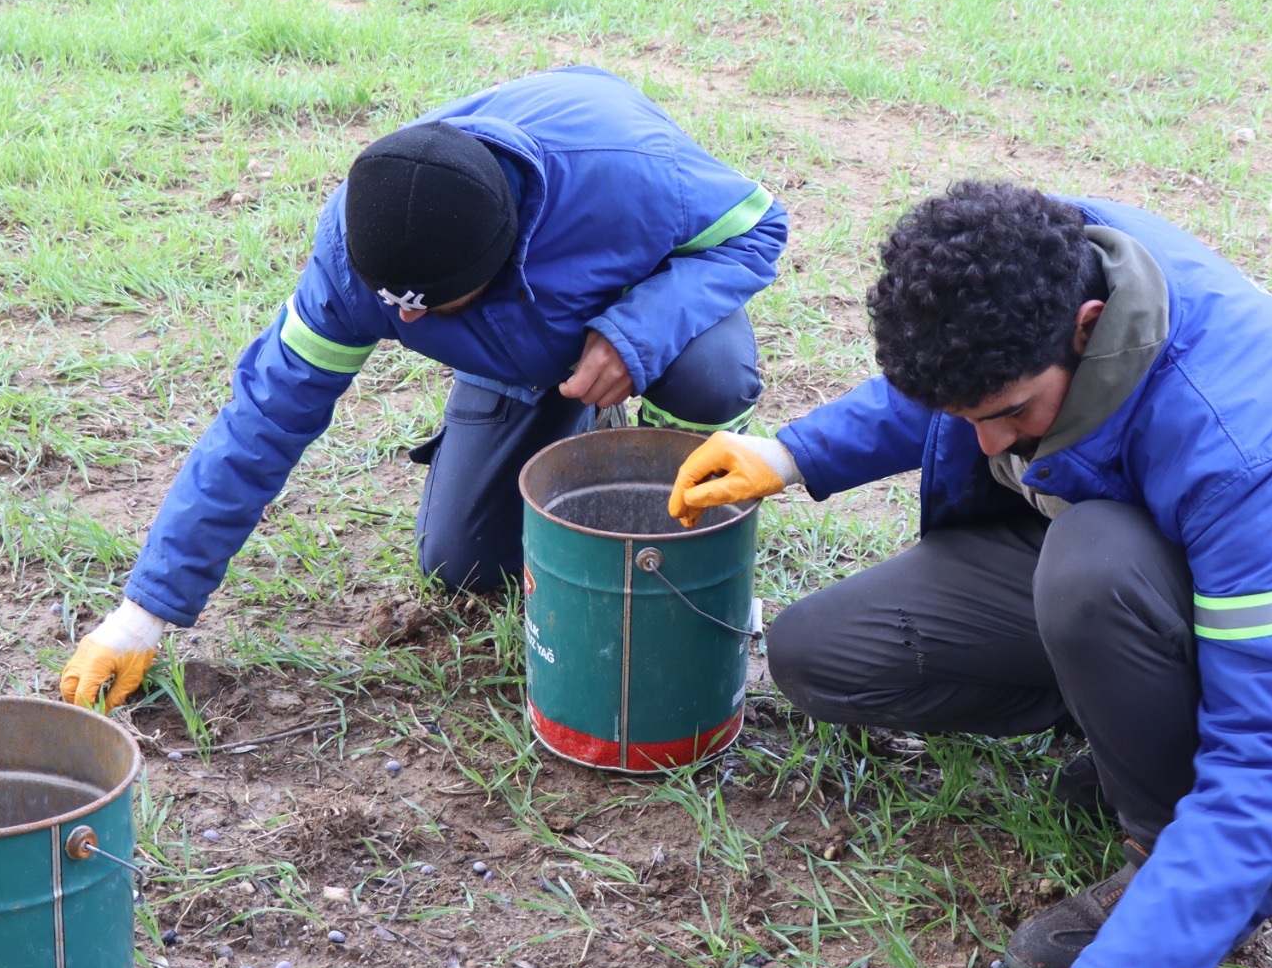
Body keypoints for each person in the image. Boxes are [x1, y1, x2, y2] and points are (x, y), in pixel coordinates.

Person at [667, 180, 1272, 968]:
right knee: (821, 651)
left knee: (1094, 564)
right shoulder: (1035, 266)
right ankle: (1114, 713)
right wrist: (793, 454)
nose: (985, 443)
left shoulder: (1253, 453)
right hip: (1114, 568)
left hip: (1238, 647)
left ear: (1087, 328)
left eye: (1011, 413)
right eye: (965, 417)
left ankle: (1159, 849)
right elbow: (956, 389)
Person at [59, 66, 786, 709]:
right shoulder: (358, 249)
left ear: (499, 264)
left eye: (426, 307)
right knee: (461, 559)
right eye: (394, 305)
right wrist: (141, 615)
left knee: (710, 376)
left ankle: (677, 509)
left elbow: (758, 228)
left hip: (642, 300)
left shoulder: (629, 178)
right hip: (516, 350)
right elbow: (263, 421)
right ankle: (564, 412)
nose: (404, 320)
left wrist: (638, 332)